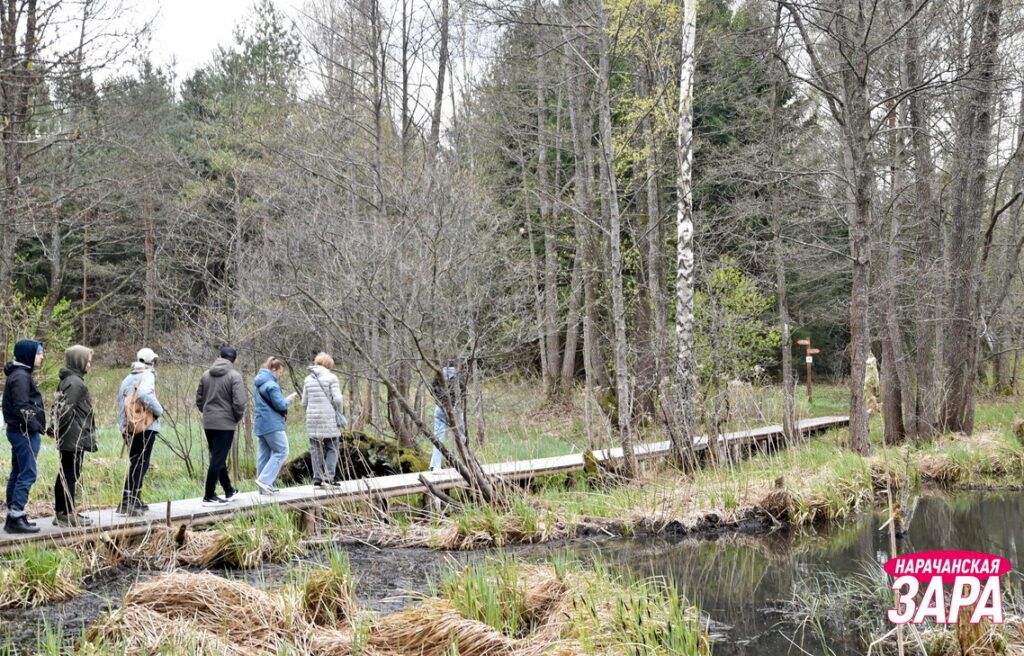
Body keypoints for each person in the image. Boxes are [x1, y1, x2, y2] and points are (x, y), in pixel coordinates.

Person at [51, 345, 98, 527]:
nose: (90, 364)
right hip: (73, 437)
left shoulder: (68, 380)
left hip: (69, 436)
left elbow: (58, 407)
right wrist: (61, 431)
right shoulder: (75, 383)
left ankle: (62, 514)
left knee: (66, 473)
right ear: (79, 361)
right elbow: (65, 411)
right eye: (88, 360)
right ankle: (68, 514)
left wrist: (55, 430)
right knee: (71, 474)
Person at [195, 346, 247, 506]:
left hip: (209, 422)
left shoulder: (206, 374)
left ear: (219, 356)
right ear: (235, 359)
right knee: (217, 459)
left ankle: (228, 490)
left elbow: (199, 399)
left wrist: (208, 412)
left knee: (218, 457)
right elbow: (240, 403)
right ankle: (209, 495)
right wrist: (235, 418)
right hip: (225, 423)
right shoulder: (234, 376)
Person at [3, 340, 45, 534]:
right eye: (39, 353)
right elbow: (22, 406)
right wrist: (36, 426)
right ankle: (16, 515)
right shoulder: (20, 377)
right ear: (28, 354)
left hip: (18, 431)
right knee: (28, 473)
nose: (42, 356)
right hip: (23, 432)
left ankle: (14, 516)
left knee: (18, 471)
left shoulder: (21, 374)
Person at [116, 347, 164, 517]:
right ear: (152, 361)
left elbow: (121, 402)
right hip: (145, 425)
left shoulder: (128, 377)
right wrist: (159, 411)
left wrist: (124, 426)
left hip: (131, 427)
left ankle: (131, 500)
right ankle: (129, 501)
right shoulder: (148, 375)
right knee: (141, 463)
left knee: (136, 462)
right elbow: (144, 393)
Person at [253, 357, 297, 495]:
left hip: (261, 423)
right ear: (273, 369)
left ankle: (263, 489)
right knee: (282, 451)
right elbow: (280, 405)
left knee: (264, 455)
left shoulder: (258, 383)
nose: (280, 375)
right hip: (272, 424)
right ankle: (265, 480)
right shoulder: (271, 385)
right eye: (280, 372)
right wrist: (289, 400)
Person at [302, 352, 345, 488]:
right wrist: (339, 412)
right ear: (328, 364)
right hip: (328, 418)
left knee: (315, 448)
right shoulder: (332, 377)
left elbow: (303, 402)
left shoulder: (308, 379)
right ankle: (329, 478)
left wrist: (309, 413)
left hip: (312, 419)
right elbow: (338, 399)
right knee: (332, 447)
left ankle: (317, 478)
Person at [429, 359, 466, 471]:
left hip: (439, 408)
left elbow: (432, 390)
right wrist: (453, 405)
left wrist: (440, 403)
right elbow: (463, 392)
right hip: (454, 409)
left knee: (438, 436)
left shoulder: (438, 376)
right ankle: (466, 463)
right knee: (461, 436)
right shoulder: (458, 377)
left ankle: (435, 466)